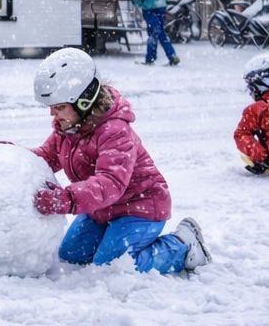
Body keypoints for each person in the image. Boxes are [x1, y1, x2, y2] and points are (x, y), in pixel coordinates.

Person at [28, 48, 210, 274]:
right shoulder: (68, 129)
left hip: (140, 207)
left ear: (84, 100)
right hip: (102, 209)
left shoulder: (115, 131)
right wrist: (12, 158)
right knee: (70, 256)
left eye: (60, 107)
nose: (53, 115)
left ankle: (182, 246)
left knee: (111, 266)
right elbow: (47, 156)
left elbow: (110, 183)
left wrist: (66, 199)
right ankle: (112, 237)